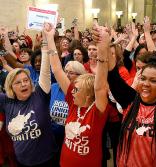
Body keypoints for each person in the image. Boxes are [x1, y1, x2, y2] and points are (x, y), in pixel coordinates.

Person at [92, 23, 156, 167]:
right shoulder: (130, 100)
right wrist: (105, 44)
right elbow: (112, 75)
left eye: (153, 80)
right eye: (143, 78)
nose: (146, 84)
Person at [45, 22, 111, 167]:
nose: (71, 91)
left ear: (88, 94)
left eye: (76, 89)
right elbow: (57, 69)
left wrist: (102, 49)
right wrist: (49, 39)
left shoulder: (97, 111)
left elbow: (99, 87)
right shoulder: (73, 103)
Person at [0, 23, 57, 167]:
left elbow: (45, 69)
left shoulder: (40, 94)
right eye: (18, 83)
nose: (24, 84)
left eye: (26, 80)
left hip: (47, 161)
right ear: (10, 87)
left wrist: (45, 40)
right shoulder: (6, 101)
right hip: (21, 162)